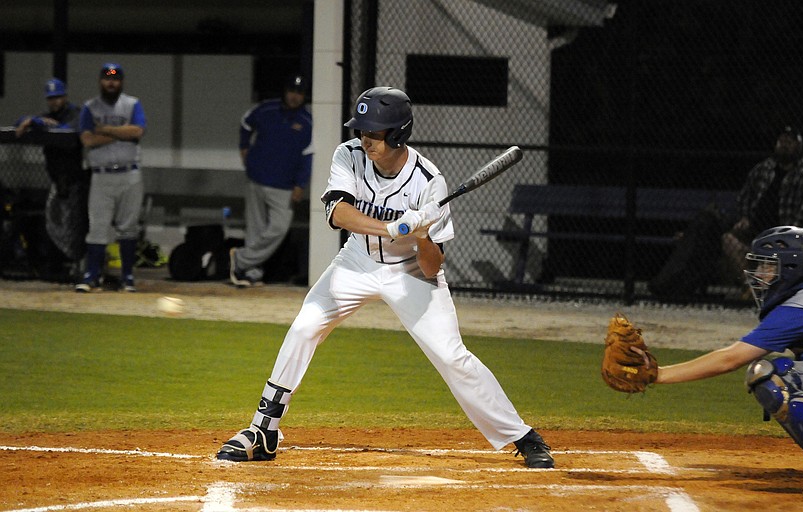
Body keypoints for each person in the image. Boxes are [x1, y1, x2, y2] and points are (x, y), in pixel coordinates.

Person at [216, 86, 555, 469]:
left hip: (409, 272)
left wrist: (423, 235)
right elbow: (337, 214)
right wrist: (390, 227)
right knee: (304, 327)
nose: (365, 138)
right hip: (356, 260)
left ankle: (523, 437)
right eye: (362, 130)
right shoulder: (349, 155)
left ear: (397, 134)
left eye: (373, 132)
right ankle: (264, 431)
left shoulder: (430, 183)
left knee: (452, 357)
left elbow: (432, 267)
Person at [642, 225, 803, 499]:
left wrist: (657, 375)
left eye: (767, 266)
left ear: (790, 268)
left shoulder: (802, 306)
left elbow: (731, 359)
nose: (759, 275)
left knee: (770, 374)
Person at [229, 74, 313, 287]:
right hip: (257, 177)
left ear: (304, 96)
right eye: (292, 91)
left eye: (299, 93)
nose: (295, 97)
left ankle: (240, 259)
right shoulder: (266, 109)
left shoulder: (306, 121)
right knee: (255, 228)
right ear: (285, 91)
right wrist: (244, 148)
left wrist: (300, 185)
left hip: (284, 185)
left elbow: (307, 155)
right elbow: (245, 123)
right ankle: (251, 273)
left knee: (278, 228)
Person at [720, 126, 803, 288]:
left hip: (788, 235)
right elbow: (745, 197)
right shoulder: (764, 168)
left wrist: (784, 236)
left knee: (794, 251)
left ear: (799, 146)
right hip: (756, 233)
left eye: (789, 142)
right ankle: (753, 288)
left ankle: (771, 289)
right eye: (781, 141)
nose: (784, 145)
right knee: (729, 240)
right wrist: (745, 217)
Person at [75, 63, 147, 293]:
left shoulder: (132, 103)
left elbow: (137, 132)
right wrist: (120, 133)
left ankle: (127, 277)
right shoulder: (90, 107)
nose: (111, 82)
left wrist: (104, 130)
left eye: (115, 79)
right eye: (107, 78)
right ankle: (91, 275)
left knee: (128, 227)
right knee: (97, 227)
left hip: (130, 174)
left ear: (121, 82)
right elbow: (87, 140)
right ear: (100, 81)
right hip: (101, 175)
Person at [14, 78, 88, 278]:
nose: (54, 102)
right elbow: (18, 123)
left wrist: (38, 123)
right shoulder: (47, 117)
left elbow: (66, 131)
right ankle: (61, 265)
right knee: (55, 224)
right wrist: (33, 120)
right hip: (58, 180)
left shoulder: (77, 113)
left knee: (77, 226)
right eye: (51, 98)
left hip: (78, 181)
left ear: (65, 96)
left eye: (58, 97)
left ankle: (79, 267)